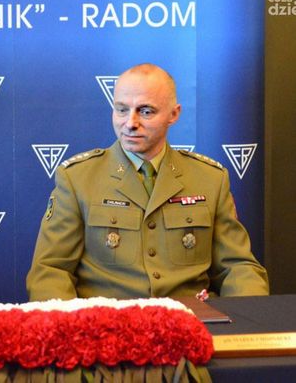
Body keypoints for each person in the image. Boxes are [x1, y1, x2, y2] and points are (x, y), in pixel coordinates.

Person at [27, 63, 269, 301]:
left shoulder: (210, 179)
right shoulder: (78, 179)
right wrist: (74, 325)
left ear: (174, 114)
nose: (130, 123)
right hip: (109, 323)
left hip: (190, 321)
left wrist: (247, 319)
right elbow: (51, 271)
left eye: (145, 111)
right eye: (122, 110)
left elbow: (238, 268)